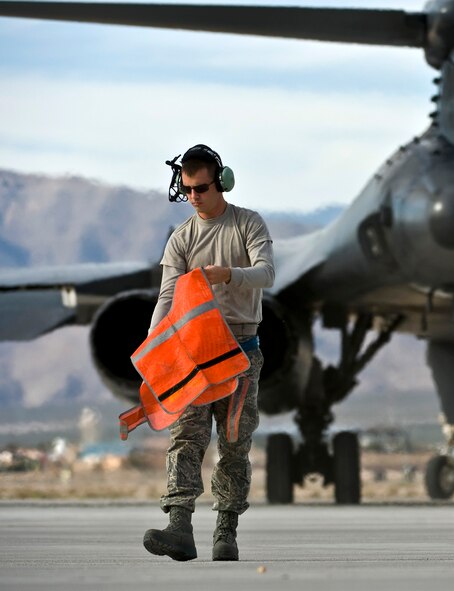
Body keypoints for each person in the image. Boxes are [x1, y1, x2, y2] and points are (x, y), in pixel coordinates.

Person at [143, 144, 274, 562]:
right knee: (186, 437)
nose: (194, 196)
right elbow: (167, 298)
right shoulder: (181, 239)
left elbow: (266, 273)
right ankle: (179, 527)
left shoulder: (248, 224)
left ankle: (226, 532)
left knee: (234, 442)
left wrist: (229, 275)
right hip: (195, 357)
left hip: (240, 352)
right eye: (187, 189)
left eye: (201, 188)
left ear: (222, 183)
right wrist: (154, 351)